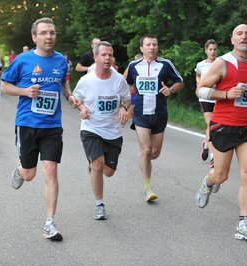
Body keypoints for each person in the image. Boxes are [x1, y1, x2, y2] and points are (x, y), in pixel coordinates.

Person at [0, 17, 81, 241]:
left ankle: (49, 223)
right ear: (34, 37)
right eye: (44, 33)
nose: (49, 37)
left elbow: (63, 83)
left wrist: (70, 96)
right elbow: (4, 86)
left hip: (52, 125)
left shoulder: (60, 60)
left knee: (51, 171)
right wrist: (25, 92)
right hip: (27, 123)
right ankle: (20, 169)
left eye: (52, 33)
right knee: (29, 174)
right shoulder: (22, 60)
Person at [195, 24, 247, 241]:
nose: (244, 37)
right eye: (239, 34)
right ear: (232, 40)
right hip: (224, 126)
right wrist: (226, 94)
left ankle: (243, 224)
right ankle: (209, 183)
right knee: (221, 175)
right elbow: (200, 89)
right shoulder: (223, 62)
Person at [72, 41, 131, 220]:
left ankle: (94, 167)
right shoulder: (86, 80)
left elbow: (127, 100)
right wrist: (81, 108)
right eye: (104, 55)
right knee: (97, 164)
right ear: (95, 57)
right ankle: (100, 205)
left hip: (113, 131)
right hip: (91, 128)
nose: (108, 58)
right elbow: (75, 98)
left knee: (108, 171)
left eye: (110, 55)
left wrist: (123, 108)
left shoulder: (119, 79)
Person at [125, 34, 184, 202]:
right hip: (141, 114)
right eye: (148, 45)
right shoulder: (133, 65)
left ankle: (144, 160)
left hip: (159, 113)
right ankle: (147, 187)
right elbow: (127, 85)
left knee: (155, 153)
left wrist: (171, 90)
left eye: (154, 44)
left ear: (157, 48)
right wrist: (125, 106)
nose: (151, 47)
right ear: (141, 48)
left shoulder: (165, 64)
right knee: (146, 150)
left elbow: (180, 81)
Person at [194, 39, 217, 168]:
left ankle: (205, 143)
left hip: (217, 98)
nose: (213, 52)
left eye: (214, 49)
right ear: (206, 50)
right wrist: (199, 83)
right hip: (205, 98)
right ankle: (213, 156)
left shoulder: (220, 63)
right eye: (210, 49)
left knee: (217, 126)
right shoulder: (201, 65)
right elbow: (197, 75)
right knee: (210, 124)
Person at [123, 53, 142, 121]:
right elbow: (124, 79)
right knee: (130, 114)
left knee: (133, 114)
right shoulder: (131, 67)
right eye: (135, 60)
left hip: (141, 96)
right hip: (133, 94)